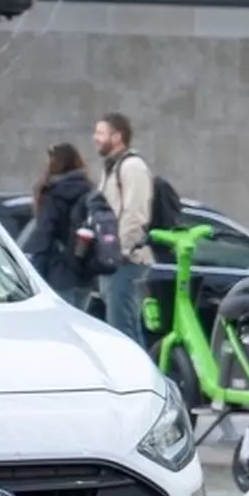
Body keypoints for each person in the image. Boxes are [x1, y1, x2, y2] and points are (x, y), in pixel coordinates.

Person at [89, 111, 157, 346]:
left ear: (117, 137)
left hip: (126, 261)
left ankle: (137, 370)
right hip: (113, 261)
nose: (95, 138)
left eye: (100, 133)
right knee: (123, 329)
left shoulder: (132, 167)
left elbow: (135, 215)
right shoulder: (111, 168)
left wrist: (118, 251)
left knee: (122, 332)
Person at [17, 141, 108, 308]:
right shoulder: (91, 190)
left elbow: (44, 235)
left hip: (58, 272)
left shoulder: (53, 195)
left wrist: (35, 273)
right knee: (79, 319)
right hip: (85, 274)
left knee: (59, 321)